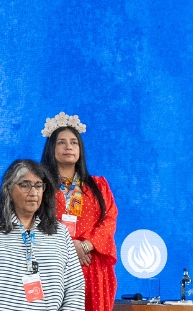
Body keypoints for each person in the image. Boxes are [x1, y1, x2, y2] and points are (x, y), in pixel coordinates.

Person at [0, 160, 84, 311]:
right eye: (25, 185)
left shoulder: (60, 233)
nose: (33, 192)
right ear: (8, 188)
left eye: (38, 185)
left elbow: (75, 288)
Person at [40, 113, 117, 311]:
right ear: (51, 148)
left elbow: (109, 220)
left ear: (80, 149)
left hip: (92, 264)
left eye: (74, 142)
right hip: (54, 265)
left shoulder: (99, 185)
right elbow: (32, 222)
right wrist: (68, 245)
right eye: (61, 143)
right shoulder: (39, 186)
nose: (68, 147)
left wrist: (85, 245)